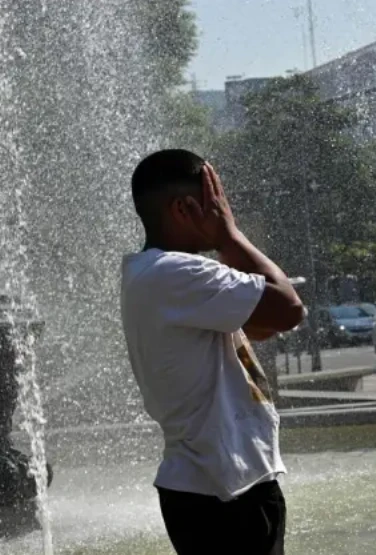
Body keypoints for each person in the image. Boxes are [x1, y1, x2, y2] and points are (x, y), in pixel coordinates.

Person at [121, 150, 304, 555]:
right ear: (185, 208)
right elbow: (290, 309)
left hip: (216, 485)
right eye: (215, 202)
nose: (223, 210)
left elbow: (261, 325)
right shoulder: (173, 272)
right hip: (223, 493)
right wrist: (229, 236)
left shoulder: (159, 275)